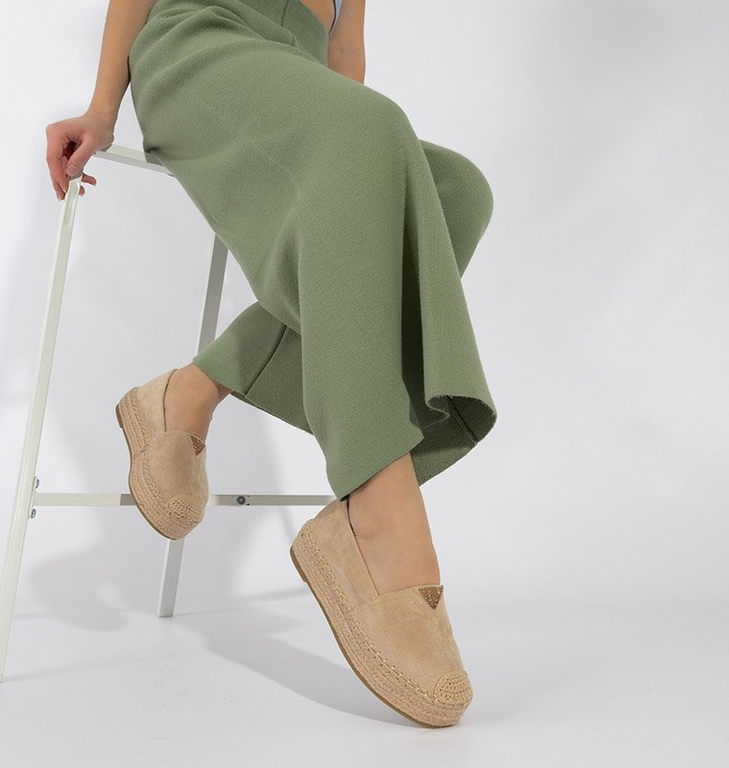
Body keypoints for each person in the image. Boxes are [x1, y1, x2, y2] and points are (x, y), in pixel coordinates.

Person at [46, 0, 497, 727]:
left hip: (290, 71)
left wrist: (357, 172)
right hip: (200, 47)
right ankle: (377, 500)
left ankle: (189, 392)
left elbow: (344, 48)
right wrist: (103, 107)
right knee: (370, 128)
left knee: (457, 191)